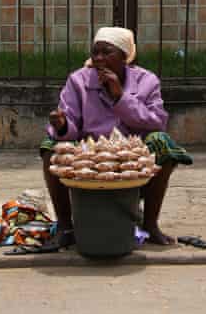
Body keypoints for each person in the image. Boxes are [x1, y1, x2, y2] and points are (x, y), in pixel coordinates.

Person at [40, 27, 191, 247]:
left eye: (106, 52)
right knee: (49, 145)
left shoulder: (147, 81)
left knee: (161, 142)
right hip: (90, 155)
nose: (99, 59)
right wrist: (63, 126)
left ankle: (150, 225)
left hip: (132, 154)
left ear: (125, 56)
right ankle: (65, 227)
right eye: (95, 52)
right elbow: (70, 125)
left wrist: (120, 96)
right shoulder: (78, 81)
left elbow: (156, 122)